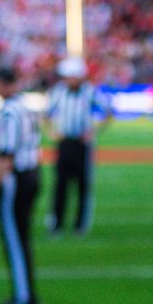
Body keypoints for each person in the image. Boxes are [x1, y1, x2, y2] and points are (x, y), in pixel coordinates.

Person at [0, 67, 41, 304]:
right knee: (20, 238)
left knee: (14, 240)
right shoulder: (24, 107)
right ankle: (24, 294)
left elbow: (6, 158)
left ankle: (23, 298)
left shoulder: (9, 113)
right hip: (29, 174)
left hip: (15, 179)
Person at [45, 56, 113, 236]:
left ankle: (81, 224)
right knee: (60, 184)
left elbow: (108, 112)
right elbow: (46, 115)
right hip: (64, 142)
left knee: (83, 184)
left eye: (72, 76)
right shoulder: (58, 91)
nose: (69, 80)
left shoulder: (89, 91)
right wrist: (52, 132)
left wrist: (94, 132)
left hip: (82, 143)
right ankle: (56, 222)